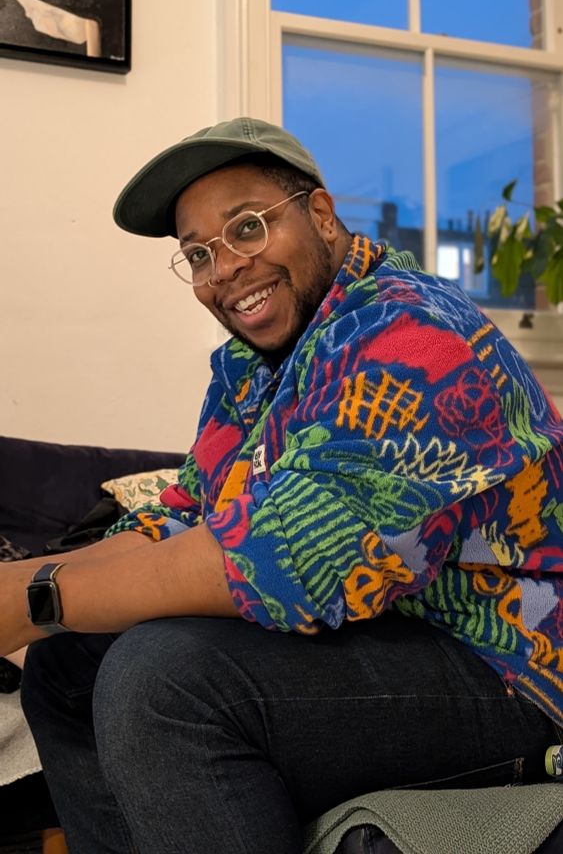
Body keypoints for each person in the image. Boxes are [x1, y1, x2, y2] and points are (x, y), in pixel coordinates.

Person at [2, 117, 562, 854]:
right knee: (69, 661)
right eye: (198, 253)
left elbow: (292, 562)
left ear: (321, 216)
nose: (223, 268)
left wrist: (36, 596)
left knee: (165, 679)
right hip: (393, 630)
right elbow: (182, 518)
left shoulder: (415, 334)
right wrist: (24, 590)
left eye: (246, 228)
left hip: (508, 664)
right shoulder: (248, 370)